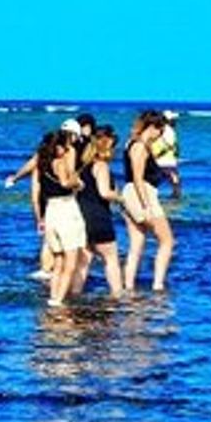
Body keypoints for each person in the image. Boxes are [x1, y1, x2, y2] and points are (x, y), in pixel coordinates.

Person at [121, 111, 176, 292]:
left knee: (137, 242)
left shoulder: (131, 143)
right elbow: (138, 177)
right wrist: (146, 205)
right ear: (153, 128)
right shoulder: (140, 147)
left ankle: (128, 285)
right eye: (160, 131)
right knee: (167, 241)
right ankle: (158, 284)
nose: (160, 135)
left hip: (130, 194)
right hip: (142, 193)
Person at [73, 125, 127, 296]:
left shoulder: (83, 167)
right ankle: (117, 295)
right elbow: (104, 192)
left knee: (84, 261)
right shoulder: (101, 166)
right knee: (111, 259)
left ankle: (74, 294)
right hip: (99, 217)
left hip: (82, 216)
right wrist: (121, 197)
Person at [41, 122, 89, 307]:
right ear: (59, 147)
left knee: (59, 259)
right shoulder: (59, 162)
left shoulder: (43, 162)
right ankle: (59, 300)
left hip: (51, 211)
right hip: (65, 209)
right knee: (71, 260)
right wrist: (77, 184)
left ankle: (54, 297)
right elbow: (64, 183)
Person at [154, 110, 183, 200]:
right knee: (176, 186)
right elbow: (170, 146)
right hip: (167, 163)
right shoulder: (169, 131)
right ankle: (174, 204)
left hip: (159, 162)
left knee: (155, 184)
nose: (175, 121)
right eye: (173, 119)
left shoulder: (159, 129)